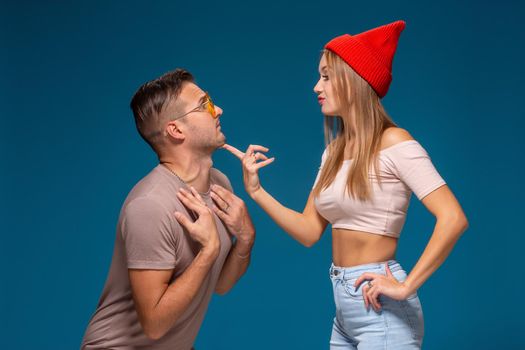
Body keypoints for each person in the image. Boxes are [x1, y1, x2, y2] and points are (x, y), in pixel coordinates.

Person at [223, 20, 468, 349]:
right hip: (345, 307)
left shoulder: (395, 143)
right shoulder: (333, 153)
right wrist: (256, 191)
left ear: (355, 80)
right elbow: (310, 230)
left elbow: (453, 218)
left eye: (326, 76)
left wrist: (406, 286)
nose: (316, 87)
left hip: (381, 308)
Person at [81, 69, 255, 350]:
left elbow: (220, 283)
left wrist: (245, 241)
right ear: (176, 130)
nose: (218, 110)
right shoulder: (150, 205)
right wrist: (207, 251)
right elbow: (154, 324)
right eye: (205, 105)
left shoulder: (219, 184)